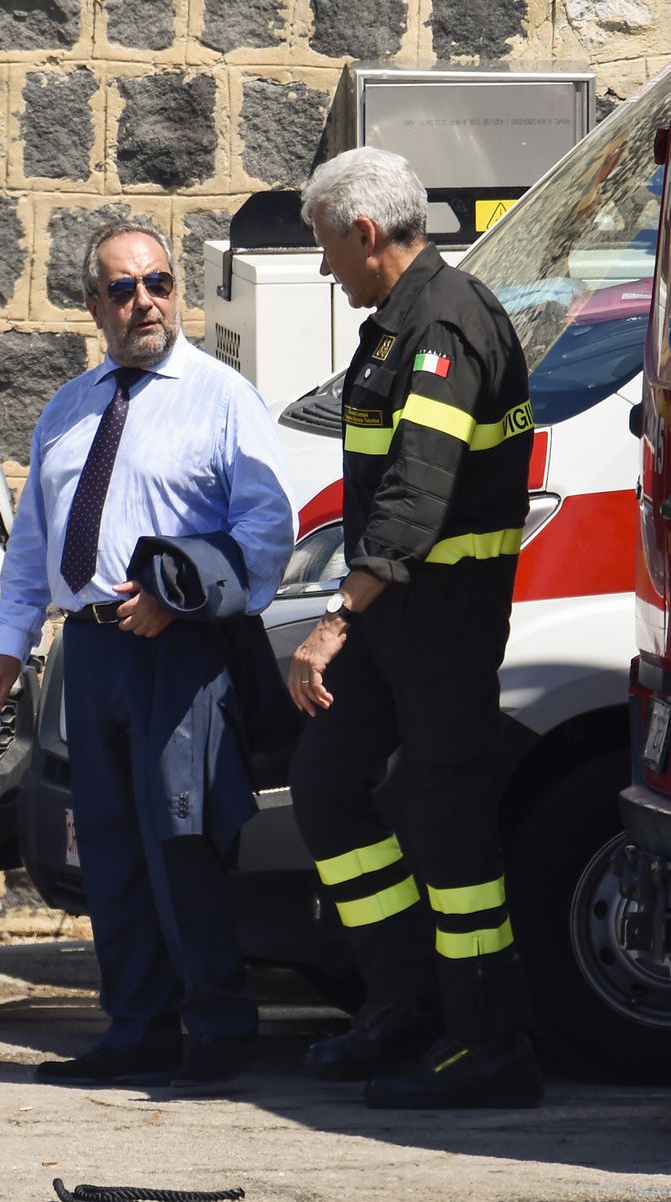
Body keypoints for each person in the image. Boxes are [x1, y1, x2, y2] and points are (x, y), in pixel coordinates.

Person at [0, 218, 294, 1089]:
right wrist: (8, 645)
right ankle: (138, 1030)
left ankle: (219, 1032)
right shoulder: (68, 410)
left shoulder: (223, 397)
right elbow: (34, 540)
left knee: (182, 842)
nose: (144, 302)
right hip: (90, 652)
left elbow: (268, 528)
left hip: (178, 653)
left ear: (177, 292)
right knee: (107, 847)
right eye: (123, 289)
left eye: (158, 283)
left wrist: (175, 598)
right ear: (93, 305)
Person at [286, 147, 543, 1109]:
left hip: (440, 624)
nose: (323, 270)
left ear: (363, 235)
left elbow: (416, 490)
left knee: (451, 828)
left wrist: (333, 619)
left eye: (325, 249)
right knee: (325, 784)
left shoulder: (443, 323)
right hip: (400, 619)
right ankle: (406, 1002)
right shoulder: (400, 323)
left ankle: (491, 1041)